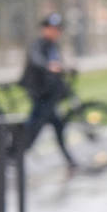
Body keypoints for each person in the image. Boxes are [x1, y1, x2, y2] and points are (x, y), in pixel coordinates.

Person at [19, 13, 73, 167]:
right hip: (40, 93)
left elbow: (58, 65)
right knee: (33, 127)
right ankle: (16, 153)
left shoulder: (53, 46)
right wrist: (48, 66)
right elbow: (36, 59)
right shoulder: (38, 44)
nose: (56, 32)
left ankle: (70, 161)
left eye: (58, 29)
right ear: (45, 29)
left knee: (57, 126)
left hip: (50, 94)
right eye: (52, 28)